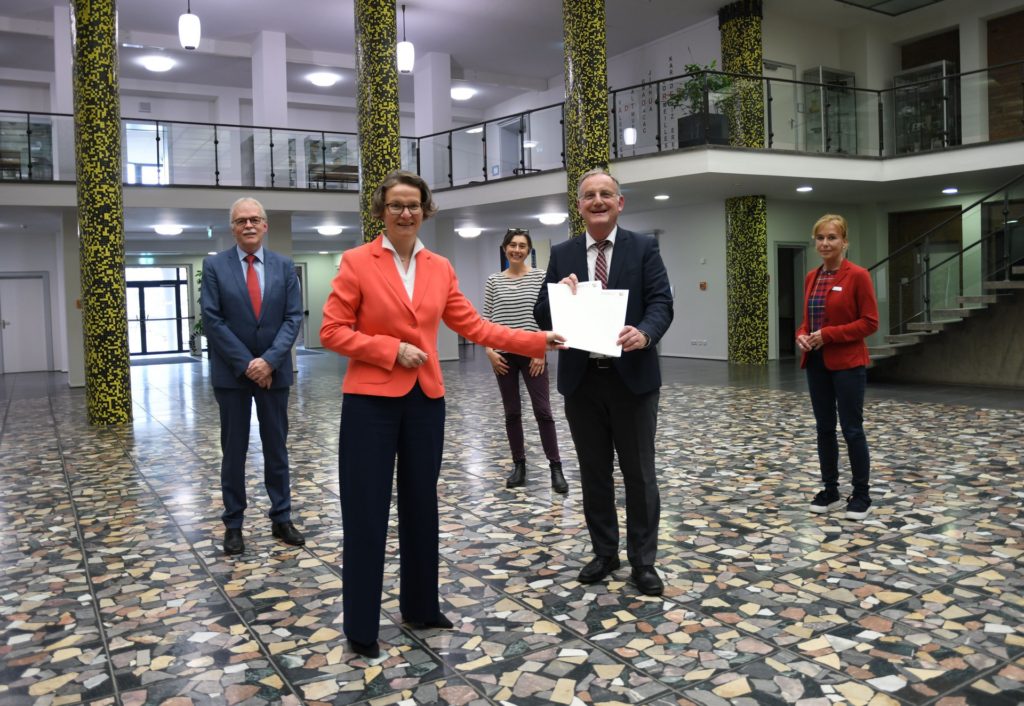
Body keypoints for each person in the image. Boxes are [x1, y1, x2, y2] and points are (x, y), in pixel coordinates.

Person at [320, 170, 564, 659]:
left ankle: (421, 606)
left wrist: (538, 340)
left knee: (420, 506)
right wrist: (390, 350)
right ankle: (362, 625)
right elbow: (332, 331)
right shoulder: (356, 262)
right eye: (396, 205)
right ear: (381, 212)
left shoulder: (439, 267)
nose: (405, 213)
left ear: (426, 210)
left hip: (425, 401)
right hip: (369, 402)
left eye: (414, 205)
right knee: (366, 514)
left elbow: (472, 324)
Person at [534, 167, 674, 596]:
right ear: (579, 206)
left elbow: (662, 303)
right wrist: (559, 290)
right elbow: (542, 314)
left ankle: (643, 562)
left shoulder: (644, 247)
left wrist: (645, 333)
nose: (598, 201)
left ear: (619, 203)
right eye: (589, 195)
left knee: (639, 474)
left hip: (632, 381)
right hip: (582, 382)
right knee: (594, 473)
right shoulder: (562, 252)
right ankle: (604, 552)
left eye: (605, 195)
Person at [201, 197, 305, 555]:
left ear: (265, 226)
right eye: (241, 220)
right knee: (234, 451)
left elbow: (293, 318)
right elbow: (212, 320)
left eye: (255, 219)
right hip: (232, 375)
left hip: (274, 375)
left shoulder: (284, 265)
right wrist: (248, 364)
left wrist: (270, 361)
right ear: (232, 227)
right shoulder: (215, 267)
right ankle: (234, 524)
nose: (248, 225)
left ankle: (282, 517)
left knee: (277, 448)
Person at [797, 214, 879, 521]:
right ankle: (830, 490)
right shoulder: (812, 277)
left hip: (847, 363)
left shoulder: (858, 276)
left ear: (844, 242)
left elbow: (870, 322)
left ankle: (861, 495)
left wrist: (828, 335)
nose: (825, 243)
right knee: (823, 429)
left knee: (852, 430)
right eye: (820, 238)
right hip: (816, 363)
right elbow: (809, 320)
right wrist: (802, 335)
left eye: (832, 237)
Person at [483, 228, 566, 493]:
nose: (516, 250)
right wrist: (489, 351)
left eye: (522, 245)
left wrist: (540, 350)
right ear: (504, 248)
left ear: (529, 250)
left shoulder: (541, 277)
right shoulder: (493, 281)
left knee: (543, 411)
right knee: (512, 413)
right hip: (503, 354)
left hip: (533, 354)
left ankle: (556, 467)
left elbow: (547, 317)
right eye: (512, 245)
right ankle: (519, 465)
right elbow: (485, 320)